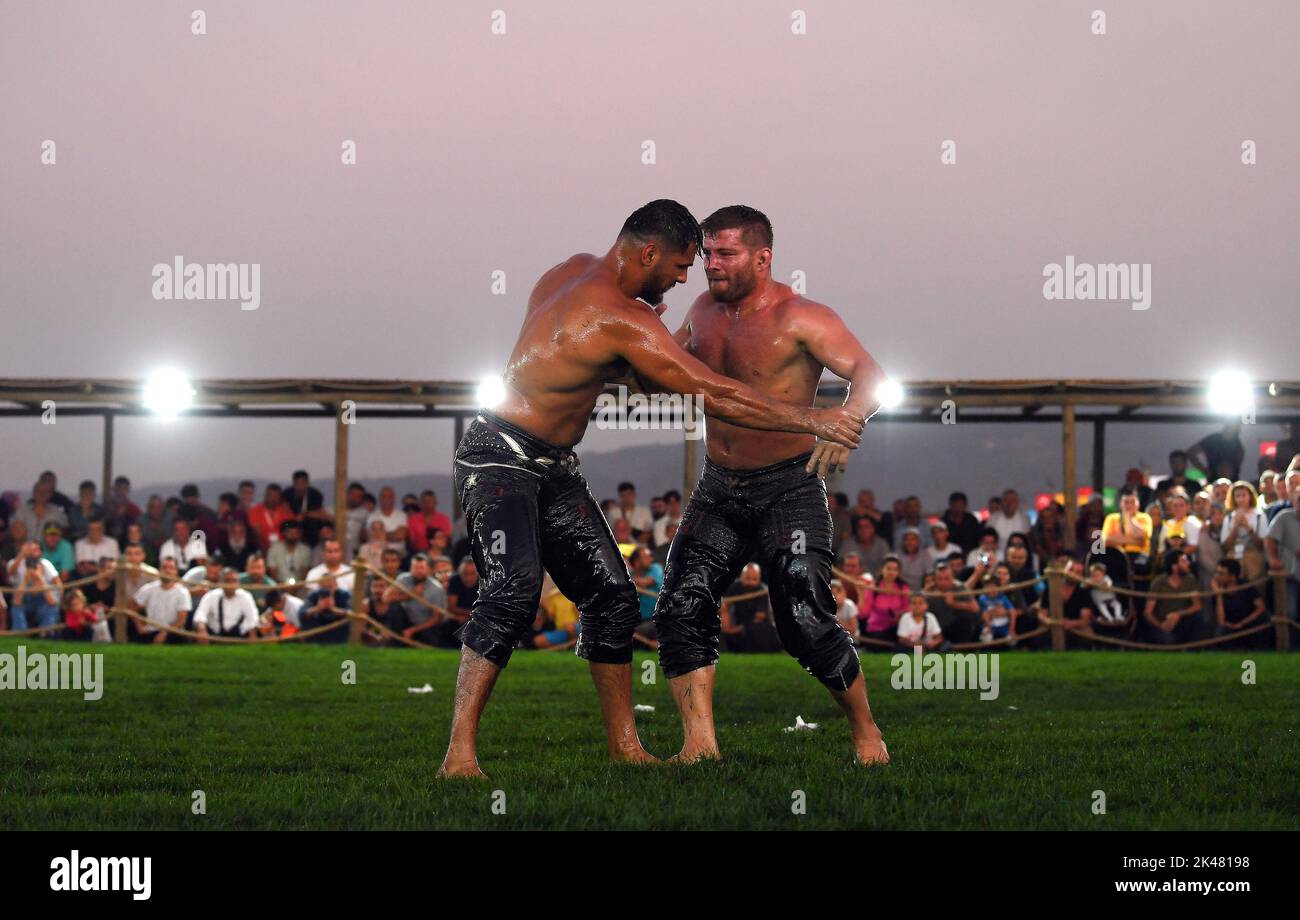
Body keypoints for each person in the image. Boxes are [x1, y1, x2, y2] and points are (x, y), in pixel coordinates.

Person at [440, 199, 864, 777]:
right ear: (649, 254)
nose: (690, 275)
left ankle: (625, 747)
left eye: (712, 258)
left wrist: (646, 335)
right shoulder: (628, 318)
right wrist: (813, 420)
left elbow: (615, 366)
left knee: (614, 599)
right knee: (513, 591)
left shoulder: (566, 271)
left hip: (556, 465)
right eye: (687, 262)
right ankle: (459, 755)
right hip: (498, 460)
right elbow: (713, 392)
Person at [649, 205, 887, 764]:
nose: (712, 265)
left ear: (763, 257)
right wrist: (643, 328)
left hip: (789, 485)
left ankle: (866, 730)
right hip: (718, 487)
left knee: (803, 613)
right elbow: (664, 362)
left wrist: (849, 422)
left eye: (726, 254)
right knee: (681, 604)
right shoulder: (703, 309)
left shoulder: (803, 317)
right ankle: (699, 745)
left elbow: (871, 373)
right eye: (708, 254)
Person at [1143, 549, 1202, 644]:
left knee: (1199, 620)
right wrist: (1161, 625)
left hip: (1182, 621)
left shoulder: (1190, 579)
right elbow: (1148, 613)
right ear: (1174, 567)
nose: (1188, 563)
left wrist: (1178, 614)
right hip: (1161, 621)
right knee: (1168, 639)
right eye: (1184, 561)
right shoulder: (1159, 582)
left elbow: (1197, 606)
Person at [193, 568, 261, 642]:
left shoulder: (246, 596)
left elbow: (253, 618)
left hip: (239, 637)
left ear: (238, 582)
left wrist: (252, 634)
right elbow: (200, 614)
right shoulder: (211, 596)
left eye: (234, 580)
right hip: (214, 636)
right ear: (220, 582)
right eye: (227, 580)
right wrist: (201, 628)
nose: (231, 584)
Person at [1212, 558, 1266, 647]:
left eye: (1221, 574)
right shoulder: (1217, 590)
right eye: (1216, 573)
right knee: (1220, 632)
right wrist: (1219, 595)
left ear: (1232, 576)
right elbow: (1221, 622)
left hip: (1248, 622)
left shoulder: (1245, 585)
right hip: (1230, 626)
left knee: (1264, 619)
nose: (1216, 576)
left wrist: (1242, 623)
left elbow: (1261, 607)